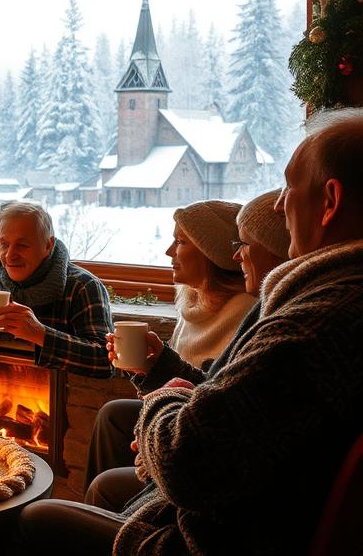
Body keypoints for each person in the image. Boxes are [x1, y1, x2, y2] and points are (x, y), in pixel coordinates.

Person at [19, 108, 363, 556]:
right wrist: (165, 373)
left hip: (210, 537)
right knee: (106, 465)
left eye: (289, 188)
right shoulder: (323, 302)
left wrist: (165, 401)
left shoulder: (313, 324)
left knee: (37, 519)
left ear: (330, 202)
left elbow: (191, 459)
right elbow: (231, 403)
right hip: (234, 509)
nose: (279, 205)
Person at [85, 191, 288, 513]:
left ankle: (113, 518)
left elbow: (208, 399)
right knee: (113, 414)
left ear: (213, 253)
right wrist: (151, 369)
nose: (168, 252)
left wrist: (162, 384)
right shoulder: (194, 303)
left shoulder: (245, 315)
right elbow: (188, 383)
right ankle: (104, 518)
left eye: (181, 242)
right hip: (183, 416)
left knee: (101, 481)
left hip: (197, 443)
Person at [0, 201, 113, 378]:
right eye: (4, 244)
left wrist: (41, 334)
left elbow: (105, 363)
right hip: (3, 386)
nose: (10, 255)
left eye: (22, 245)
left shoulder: (83, 286)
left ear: (48, 245)